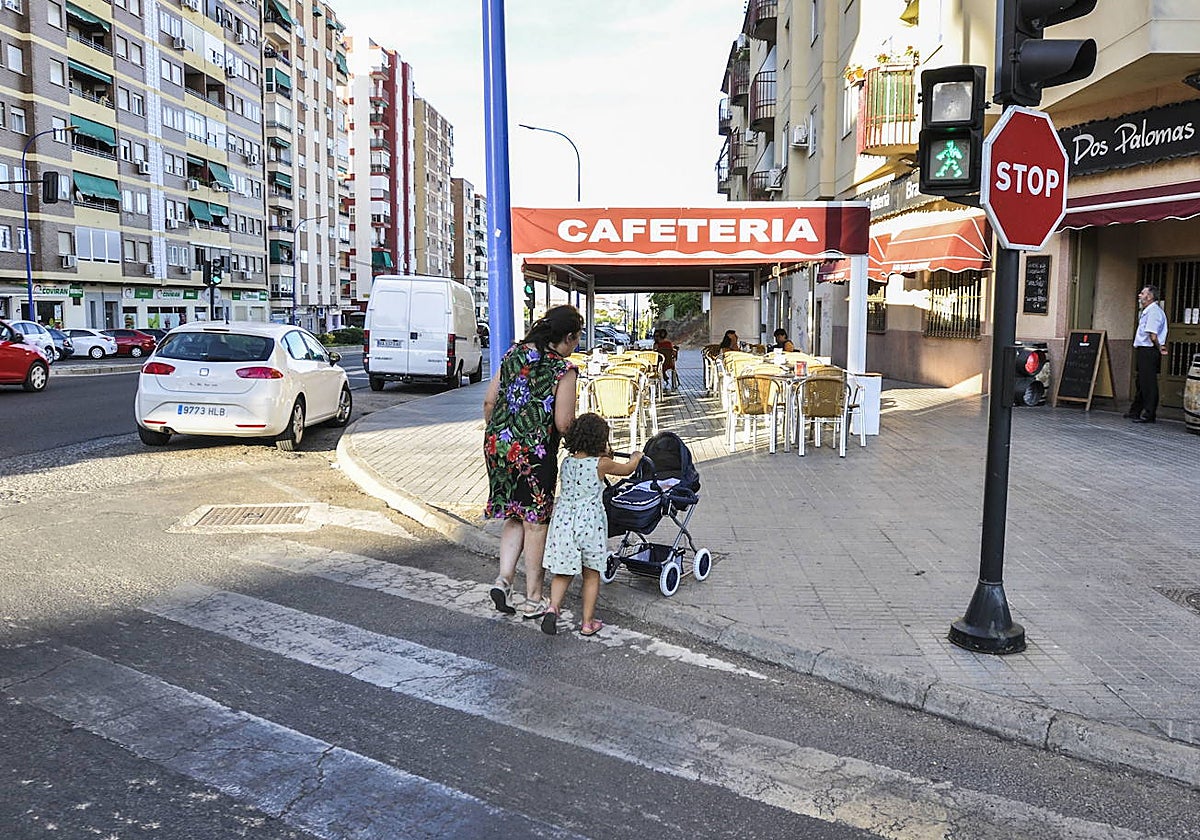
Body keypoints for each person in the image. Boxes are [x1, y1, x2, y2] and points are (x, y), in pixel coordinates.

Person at [483, 304, 583, 617]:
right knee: (536, 523)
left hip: (498, 446)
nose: (576, 345)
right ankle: (534, 597)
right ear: (566, 337)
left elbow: (489, 401)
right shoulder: (562, 369)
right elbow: (564, 422)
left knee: (514, 514)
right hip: (534, 452)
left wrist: (499, 435)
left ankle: (503, 580)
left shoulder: (512, 354)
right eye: (576, 339)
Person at [540, 413, 642, 636]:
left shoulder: (566, 463)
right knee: (591, 573)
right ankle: (587, 623)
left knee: (563, 571)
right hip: (589, 525)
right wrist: (636, 457)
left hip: (564, 523)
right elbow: (627, 470)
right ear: (600, 440)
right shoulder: (601, 464)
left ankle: (553, 608)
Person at [1126, 285, 1169, 424]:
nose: (1139, 295)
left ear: (1149, 297)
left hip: (1149, 350)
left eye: (1142, 293)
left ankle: (1150, 414)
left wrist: (1160, 347)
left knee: (1148, 383)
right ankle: (1135, 410)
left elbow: (1153, 335)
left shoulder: (1154, 312)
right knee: (1141, 381)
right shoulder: (1147, 311)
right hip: (1144, 349)